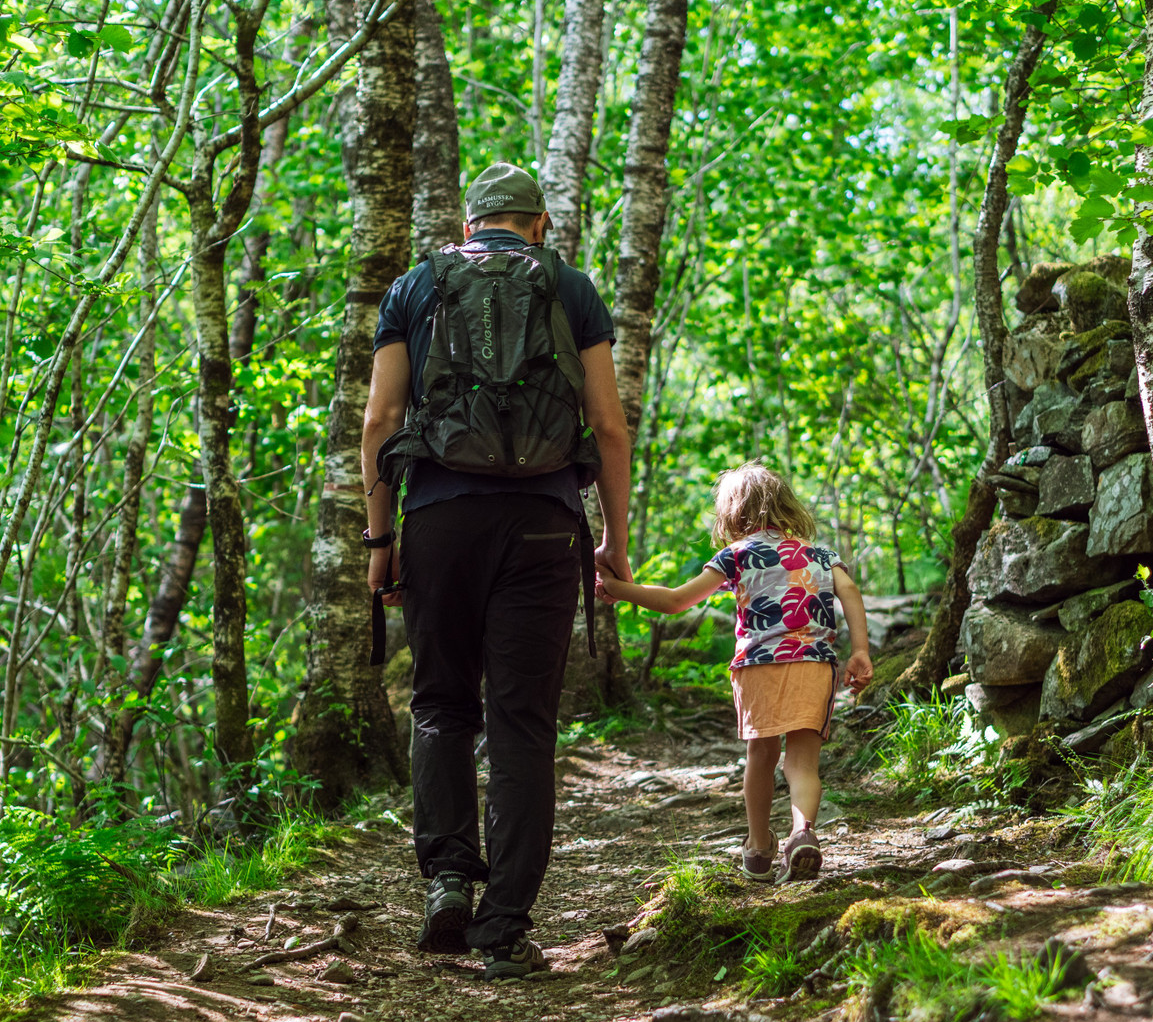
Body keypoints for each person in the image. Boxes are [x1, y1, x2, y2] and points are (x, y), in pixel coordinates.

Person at [360, 162, 633, 980]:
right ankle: (504, 925)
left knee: (442, 701)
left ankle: (448, 879)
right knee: (522, 720)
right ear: (538, 225)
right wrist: (612, 538)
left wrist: (381, 543)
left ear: (468, 223)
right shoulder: (570, 287)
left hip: (439, 517)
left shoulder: (417, 286)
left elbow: (381, 418)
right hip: (547, 524)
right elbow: (608, 426)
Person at [598, 462, 873, 883]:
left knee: (760, 757)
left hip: (759, 666)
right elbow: (849, 591)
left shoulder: (737, 554)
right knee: (802, 763)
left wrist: (618, 589)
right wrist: (859, 651)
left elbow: (675, 601)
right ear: (786, 504)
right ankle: (803, 832)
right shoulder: (821, 553)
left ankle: (759, 848)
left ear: (733, 512)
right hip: (815, 662)